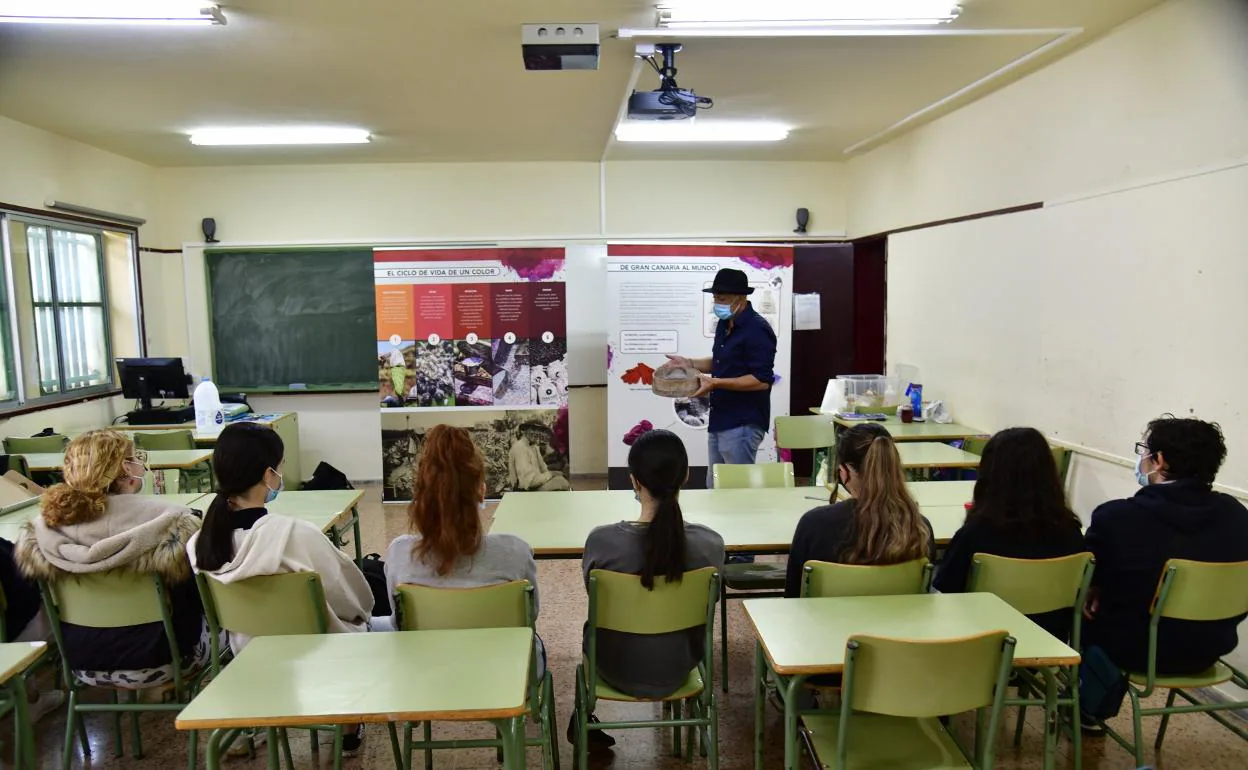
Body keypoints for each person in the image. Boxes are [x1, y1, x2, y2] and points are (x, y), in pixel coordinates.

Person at [187, 422, 374, 754]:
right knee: (368, 623)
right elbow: (353, 598)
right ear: (268, 474)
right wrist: (362, 616)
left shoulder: (199, 545)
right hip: (319, 661)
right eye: (281, 466)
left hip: (251, 658)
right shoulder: (296, 536)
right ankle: (346, 724)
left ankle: (255, 719)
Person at [15, 430, 208, 692]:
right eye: (135, 457)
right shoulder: (173, 522)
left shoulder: (43, 532)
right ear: (126, 470)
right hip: (166, 658)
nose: (141, 462)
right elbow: (196, 600)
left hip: (82, 663)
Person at [578, 429, 725, 748]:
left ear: (634, 481)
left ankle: (585, 719)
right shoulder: (710, 546)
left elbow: (595, 598)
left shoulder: (601, 543)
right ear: (686, 476)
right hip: (679, 666)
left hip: (613, 666)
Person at [1083, 416, 1248, 676]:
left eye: (1145, 451)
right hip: (1208, 651)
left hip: (1135, 652)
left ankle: (1081, 703)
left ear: (1158, 460)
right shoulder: (1239, 516)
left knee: (1083, 604)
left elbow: (1086, 578)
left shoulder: (1116, 517)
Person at [384, 425, 542, 664]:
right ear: (481, 491)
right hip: (505, 681)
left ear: (420, 493)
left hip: (426, 679)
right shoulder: (515, 551)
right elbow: (531, 615)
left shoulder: (399, 553)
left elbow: (398, 623)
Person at [933, 427, 1086, 640]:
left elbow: (947, 589)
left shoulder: (975, 535)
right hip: (1049, 640)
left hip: (983, 642)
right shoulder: (1072, 533)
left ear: (989, 476)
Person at [785, 423, 934, 597]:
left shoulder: (814, 525)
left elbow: (793, 598)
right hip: (900, 623)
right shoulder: (919, 527)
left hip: (829, 623)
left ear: (844, 472)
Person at [667, 267, 777, 489]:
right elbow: (720, 362)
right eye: (715, 298)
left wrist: (716, 383)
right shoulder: (725, 324)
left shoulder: (757, 329)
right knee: (715, 487)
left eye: (723, 298)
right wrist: (689, 362)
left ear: (741, 298)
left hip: (743, 422)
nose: (718, 303)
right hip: (720, 418)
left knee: (736, 491)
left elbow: (761, 380)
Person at [507, 424, 570, 492]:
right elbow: (530, 482)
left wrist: (552, 474)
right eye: (533, 429)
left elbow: (543, 468)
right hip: (525, 490)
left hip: (536, 484)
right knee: (562, 483)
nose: (536, 432)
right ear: (523, 431)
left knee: (561, 479)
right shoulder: (520, 448)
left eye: (538, 430)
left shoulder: (534, 446)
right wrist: (551, 474)